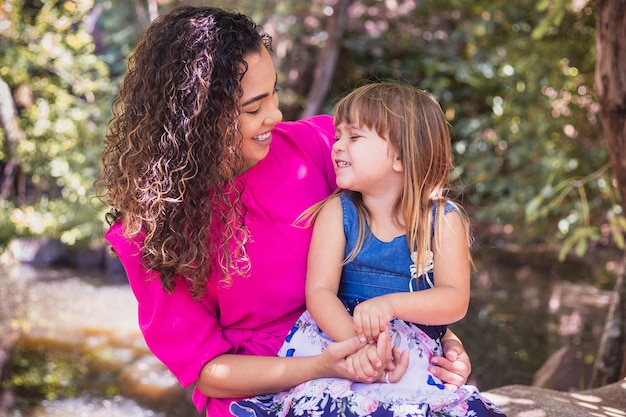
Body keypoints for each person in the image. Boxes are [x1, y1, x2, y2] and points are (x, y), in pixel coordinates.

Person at [95, 6, 474, 416]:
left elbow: (395, 257)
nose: (275, 114)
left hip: (373, 364)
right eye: (253, 109)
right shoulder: (151, 232)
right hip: (263, 392)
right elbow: (207, 369)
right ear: (197, 120)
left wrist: (440, 342)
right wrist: (317, 366)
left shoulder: (322, 146)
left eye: (273, 92)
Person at [231, 83, 505, 417]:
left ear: (402, 156)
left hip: (412, 358)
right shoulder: (338, 213)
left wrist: (389, 306)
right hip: (343, 342)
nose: (337, 147)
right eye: (337, 137)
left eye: (354, 138)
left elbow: (454, 300)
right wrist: (357, 345)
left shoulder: (442, 220)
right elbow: (319, 291)